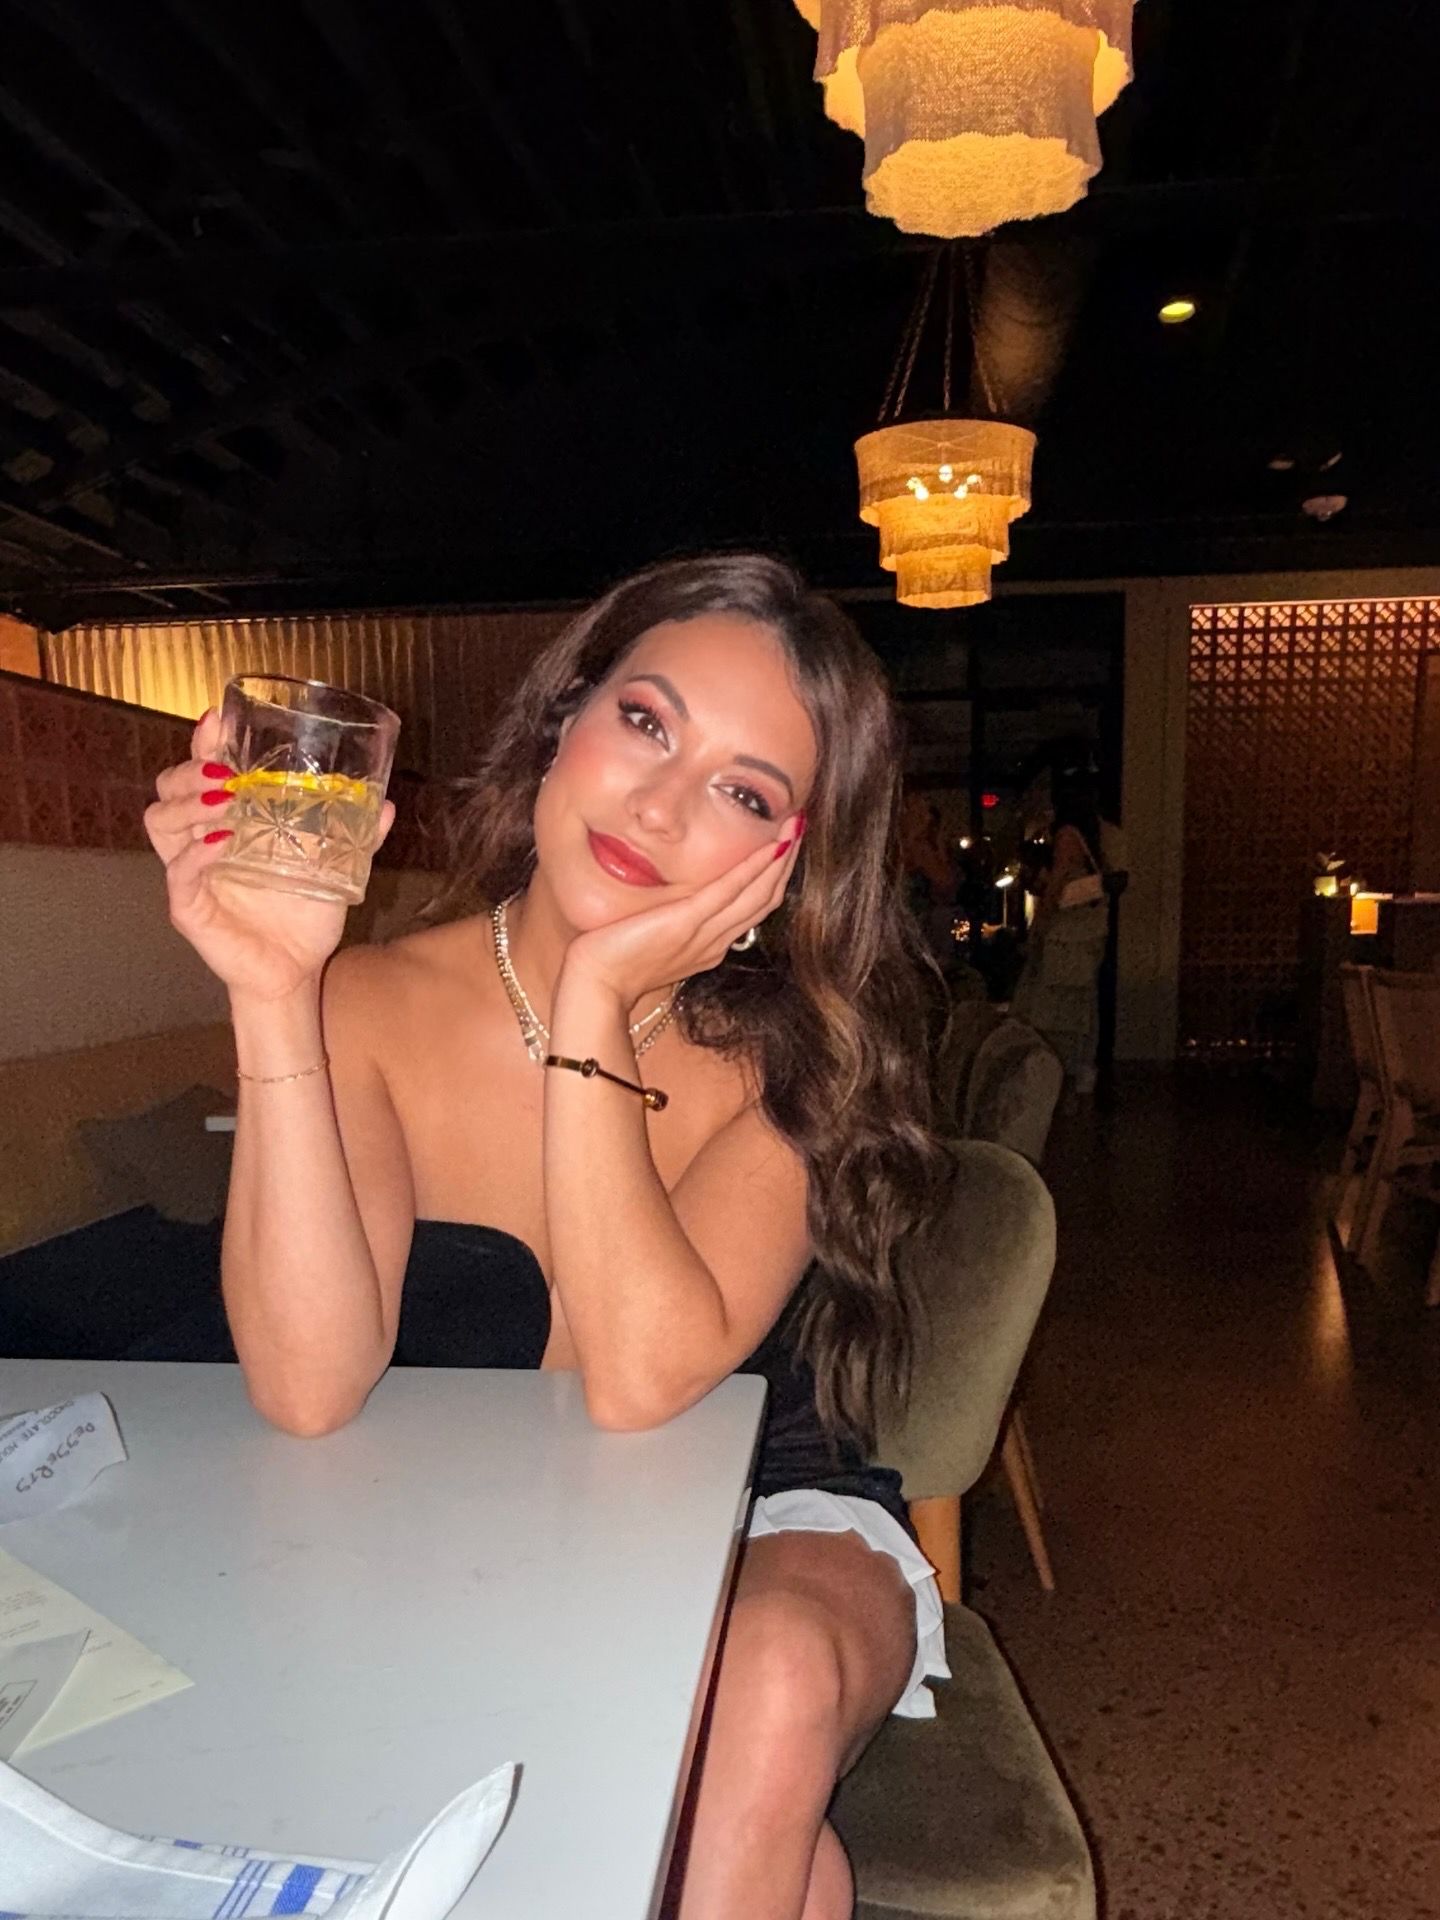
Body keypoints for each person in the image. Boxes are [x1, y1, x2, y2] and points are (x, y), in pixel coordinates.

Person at [144, 554, 952, 1920]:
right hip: (462, 1538)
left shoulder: (794, 1065)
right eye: (645, 722)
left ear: (783, 861)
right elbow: (307, 1382)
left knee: (762, 1686)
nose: (659, 801)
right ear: (565, 719)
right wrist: (277, 995)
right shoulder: (378, 1001)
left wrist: (592, 1008)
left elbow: (641, 1382)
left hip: (772, 1526)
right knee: (775, 1878)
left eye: (743, 792)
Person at [1010, 776, 1110, 1095]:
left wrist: (1038, 923)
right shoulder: (1095, 834)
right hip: (1085, 933)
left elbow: (1056, 887)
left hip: (1066, 935)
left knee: (1053, 1002)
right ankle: (1081, 1071)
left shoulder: (1066, 835)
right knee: (1078, 1002)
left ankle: (1058, 1073)